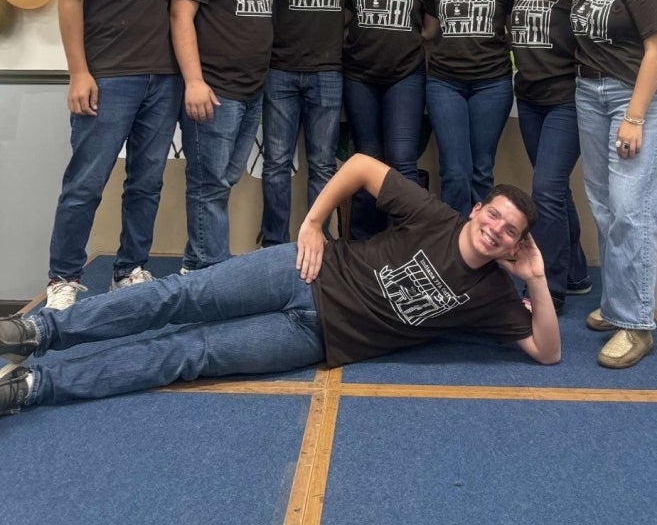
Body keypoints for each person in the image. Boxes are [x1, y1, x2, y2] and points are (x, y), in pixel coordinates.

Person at [0, 154, 560, 415]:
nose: (495, 231)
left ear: (515, 245)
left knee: (187, 353)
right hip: (301, 270)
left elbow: (547, 352)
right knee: (180, 296)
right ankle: (36, 331)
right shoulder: (436, 217)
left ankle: (30, 389)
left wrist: (534, 279)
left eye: (509, 233)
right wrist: (313, 222)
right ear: (476, 209)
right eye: (493, 217)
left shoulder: (491, 294)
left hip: (313, 339)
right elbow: (362, 165)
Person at [45, 0, 191, 310]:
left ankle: (130, 268)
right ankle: (63, 277)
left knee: (147, 180)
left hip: (164, 78)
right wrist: (78, 72)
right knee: (86, 182)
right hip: (108, 76)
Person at [570, 0, 657, 369]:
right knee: (607, 209)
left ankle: (636, 328)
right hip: (588, 94)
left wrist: (634, 117)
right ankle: (618, 308)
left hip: (632, 101)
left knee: (633, 210)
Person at [169, 0, 274, 272]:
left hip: (251, 90)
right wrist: (194, 81)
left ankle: (196, 262)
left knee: (223, 180)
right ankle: (208, 272)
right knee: (209, 185)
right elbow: (181, 15)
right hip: (215, 90)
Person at [260, 0, 357, 245]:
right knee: (276, 165)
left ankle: (317, 240)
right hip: (280, 71)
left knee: (321, 166)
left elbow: (354, 9)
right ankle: (273, 244)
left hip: (328, 72)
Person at [507, 0, 591, 314]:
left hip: (566, 98)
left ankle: (551, 290)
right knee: (555, 190)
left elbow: (611, 21)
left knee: (545, 191)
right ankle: (575, 272)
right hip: (529, 97)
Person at [342, 0, 435, 238]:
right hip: (359, 76)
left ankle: (406, 240)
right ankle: (364, 244)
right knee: (366, 158)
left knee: (402, 160)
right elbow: (348, 18)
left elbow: (428, 29)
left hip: (405, 77)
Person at [423, 0, 514, 217]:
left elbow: (520, 31)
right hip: (444, 83)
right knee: (454, 170)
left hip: (493, 83)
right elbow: (429, 31)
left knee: (481, 169)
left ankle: (481, 243)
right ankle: (454, 246)